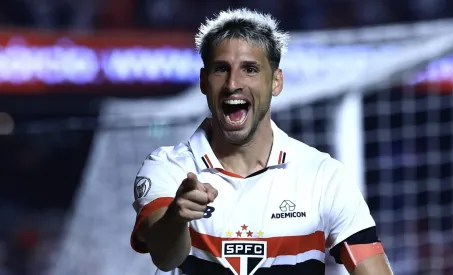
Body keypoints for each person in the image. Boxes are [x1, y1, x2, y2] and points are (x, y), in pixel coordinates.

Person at [130, 8, 394, 275]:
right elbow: (164, 258)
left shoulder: (324, 177)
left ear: (276, 82)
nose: (233, 83)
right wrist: (177, 216)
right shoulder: (168, 167)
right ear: (203, 81)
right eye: (221, 69)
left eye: (250, 69)